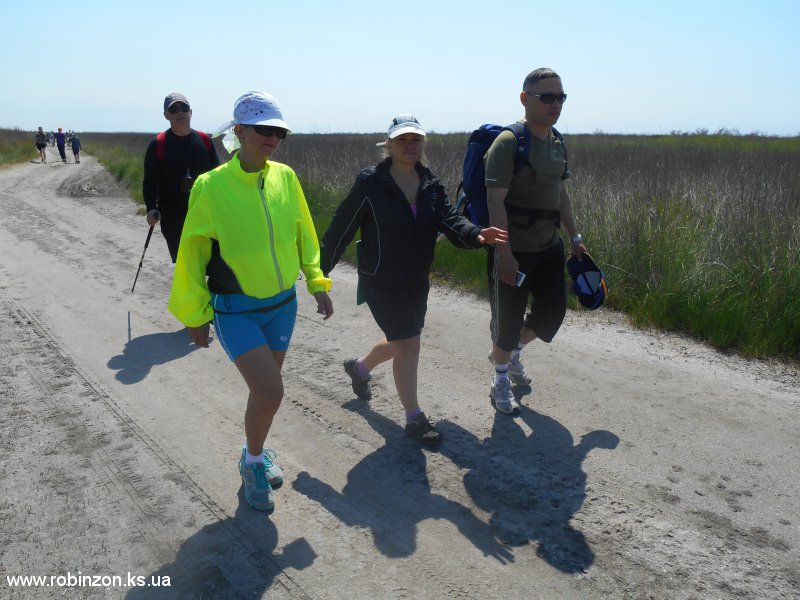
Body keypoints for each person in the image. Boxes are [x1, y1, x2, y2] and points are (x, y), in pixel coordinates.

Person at [168, 91, 334, 514]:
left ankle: (253, 452)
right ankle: (254, 463)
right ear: (239, 131)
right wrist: (194, 314)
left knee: (264, 394)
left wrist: (316, 281)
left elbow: (304, 231)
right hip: (235, 309)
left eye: (279, 132)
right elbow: (192, 253)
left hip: (282, 305)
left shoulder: (285, 177)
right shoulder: (210, 186)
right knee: (271, 392)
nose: (273, 138)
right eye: (264, 129)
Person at [320, 115, 507, 446]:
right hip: (380, 279)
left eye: (415, 140)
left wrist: (477, 234)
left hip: (416, 279)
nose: (409, 145)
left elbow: (451, 220)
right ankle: (414, 418)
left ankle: (359, 369)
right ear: (389, 145)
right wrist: (320, 274)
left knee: (402, 340)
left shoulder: (430, 184)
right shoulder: (371, 183)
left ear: (423, 144)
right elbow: (341, 227)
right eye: (402, 140)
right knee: (408, 342)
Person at [484, 67, 589, 415]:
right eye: (547, 97)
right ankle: (500, 379)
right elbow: (495, 203)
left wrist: (574, 236)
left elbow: (561, 194)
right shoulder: (508, 143)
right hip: (514, 249)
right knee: (508, 320)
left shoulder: (558, 142)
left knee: (552, 314)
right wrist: (504, 254)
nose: (555, 104)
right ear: (525, 99)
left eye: (560, 97)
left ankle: (509, 352)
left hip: (548, 247)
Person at [142, 92, 220, 263]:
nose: (180, 112)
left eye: (184, 108)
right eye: (174, 110)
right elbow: (150, 182)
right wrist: (151, 208)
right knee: (186, 264)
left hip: (204, 213)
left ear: (190, 112)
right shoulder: (158, 144)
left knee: (211, 262)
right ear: (166, 115)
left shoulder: (205, 140)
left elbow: (217, 176)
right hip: (173, 218)